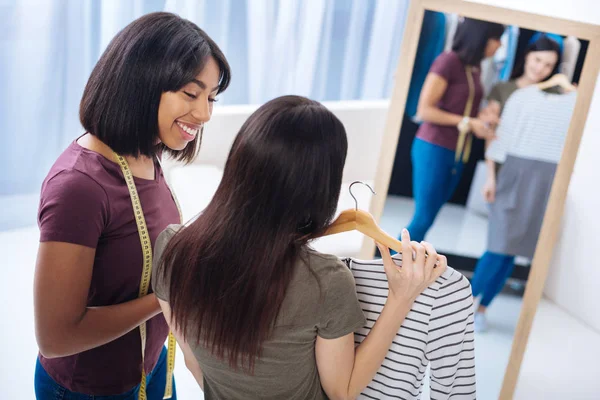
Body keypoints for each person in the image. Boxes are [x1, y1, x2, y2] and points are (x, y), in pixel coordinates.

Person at [151, 95, 448, 399]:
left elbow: (192, 361)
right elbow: (342, 391)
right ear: (323, 186)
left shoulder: (172, 248)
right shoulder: (325, 280)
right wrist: (401, 297)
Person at [33, 12, 231, 399]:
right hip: (93, 389)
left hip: (151, 365)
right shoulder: (79, 186)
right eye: (191, 94)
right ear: (141, 84)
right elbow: (55, 337)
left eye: (211, 97)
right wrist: (165, 298)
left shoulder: (145, 152)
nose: (205, 114)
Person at [471, 35, 562, 333]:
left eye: (548, 64)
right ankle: (464, 303)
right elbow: (491, 136)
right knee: (497, 245)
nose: (541, 69)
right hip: (506, 172)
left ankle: (483, 309)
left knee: (512, 249)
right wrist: (491, 177)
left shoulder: (558, 94)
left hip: (537, 180)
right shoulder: (505, 89)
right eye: (538, 60)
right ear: (526, 57)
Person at [400, 18, 505, 244]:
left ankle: (399, 270)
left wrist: (482, 118)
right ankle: (389, 269)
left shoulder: (474, 68)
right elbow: (425, 110)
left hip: (455, 152)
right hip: (434, 148)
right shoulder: (448, 61)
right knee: (422, 219)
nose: (500, 45)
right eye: (496, 39)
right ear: (481, 37)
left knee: (426, 220)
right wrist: (468, 122)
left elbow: (463, 109)